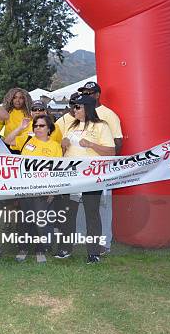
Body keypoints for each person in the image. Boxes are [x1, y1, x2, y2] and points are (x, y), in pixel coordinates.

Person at [58, 94, 115, 264]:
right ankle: (65, 249)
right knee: (68, 213)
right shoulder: (71, 125)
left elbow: (111, 152)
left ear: (87, 108)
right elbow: (63, 152)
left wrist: (91, 145)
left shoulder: (101, 126)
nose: (73, 110)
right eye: (73, 106)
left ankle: (94, 252)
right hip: (71, 176)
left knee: (92, 213)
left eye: (77, 107)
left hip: (91, 176)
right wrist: (64, 144)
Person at [77, 81, 123, 254]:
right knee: (84, 205)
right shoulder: (78, 115)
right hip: (81, 170)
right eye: (84, 93)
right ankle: (86, 239)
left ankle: (104, 242)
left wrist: (108, 164)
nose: (86, 95)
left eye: (90, 93)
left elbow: (117, 141)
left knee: (102, 207)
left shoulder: (108, 115)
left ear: (97, 94)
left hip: (101, 169)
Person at [15, 115, 63, 264]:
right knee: (24, 220)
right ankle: (23, 249)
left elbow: (58, 170)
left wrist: (53, 190)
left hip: (44, 189)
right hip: (25, 187)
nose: (38, 128)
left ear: (49, 128)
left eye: (42, 126)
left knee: (39, 221)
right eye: (35, 125)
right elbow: (8, 140)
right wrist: (21, 128)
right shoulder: (27, 140)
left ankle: (40, 249)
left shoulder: (55, 146)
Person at [0, 88, 33, 153]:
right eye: (15, 97)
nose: (17, 100)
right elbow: (0, 127)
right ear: (10, 99)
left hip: (23, 145)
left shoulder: (29, 114)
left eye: (21, 98)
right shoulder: (6, 112)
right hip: (7, 145)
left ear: (25, 100)